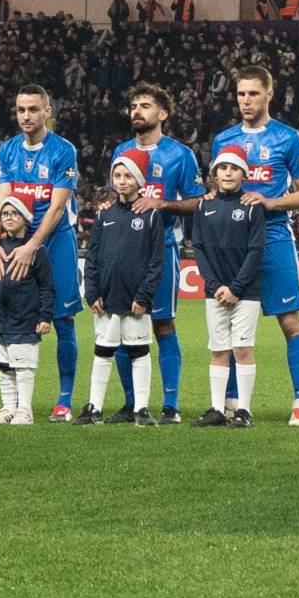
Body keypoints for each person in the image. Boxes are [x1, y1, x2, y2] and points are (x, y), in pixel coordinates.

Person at [208, 64, 299, 425]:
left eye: (253, 93)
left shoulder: (288, 138)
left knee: (290, 321)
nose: (246, 100)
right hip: (233, 243)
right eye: (241, 93)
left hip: (272, 237)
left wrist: (270, 202)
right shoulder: (224, 140)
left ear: (269, 94)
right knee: (230, 322)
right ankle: (232, 401)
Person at [0, 86, 85, 421]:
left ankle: (64, 400)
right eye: (21, 110)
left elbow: (57, 207)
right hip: (16, 243)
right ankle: (15, 403)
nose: (26, 116)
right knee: (13, 320)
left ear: (47, 111)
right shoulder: (8, 150)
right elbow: (3, 198)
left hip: (55, 242)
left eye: (33, 109)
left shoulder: (63, 150)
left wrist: (32, 246)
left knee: (62, 319)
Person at [114, 84, 204, 422]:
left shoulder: (180, 154)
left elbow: (198, 201)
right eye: (133, 105)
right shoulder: (121, 150)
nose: (137, 111)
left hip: (162, 248)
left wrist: (162, 203)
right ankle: (131, 404)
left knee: (163, 324)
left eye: (145, 105)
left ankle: (171, 405)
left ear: (162, 113)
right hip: (125, 252)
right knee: (122, 325)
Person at [81, 156, 169, 423]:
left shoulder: (151, 216)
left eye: (128, 176)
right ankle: (94, 407)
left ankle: (141, 409)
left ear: (139, 180)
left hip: (135, 301)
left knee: (139, 351)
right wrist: (91, 292)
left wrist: (144, 296)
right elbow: (92, 257)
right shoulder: (104, 214)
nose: (122, 181)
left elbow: (156, 261)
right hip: (106, 298)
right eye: (117, 176)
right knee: (102, 351)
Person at [187, 151, 270, 427]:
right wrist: (215, 286)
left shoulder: (252, 207)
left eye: (234, 168)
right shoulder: (203, 206)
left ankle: (244, 410)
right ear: (214, 174)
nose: (228, 172)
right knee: (218, 350)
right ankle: (217, 409)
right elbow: (198, 248)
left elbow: (256, 250)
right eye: (222, 168)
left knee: (243, 349)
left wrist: (235, 288)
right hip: (215, 293)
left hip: (245, 293)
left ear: (244, 174)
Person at [0, 193, 58, 427]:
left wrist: (45, 316)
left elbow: (47, 287)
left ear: (26, 218)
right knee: (3, 366)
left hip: (25, 319)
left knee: (23, 366)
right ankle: (8, 408)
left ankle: (25, 409)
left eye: (14, 213)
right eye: (4, 214)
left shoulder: (36, 250)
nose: (9, 217)